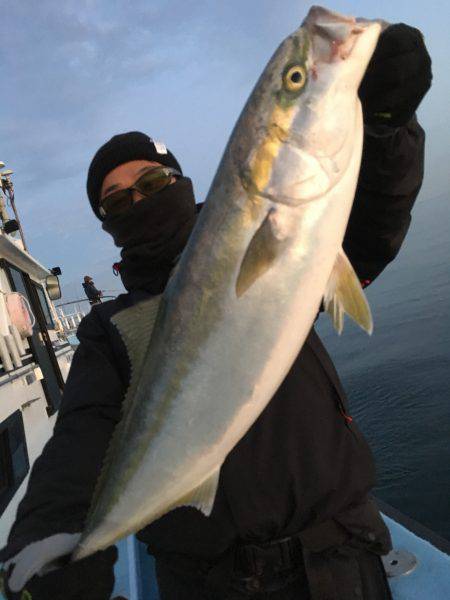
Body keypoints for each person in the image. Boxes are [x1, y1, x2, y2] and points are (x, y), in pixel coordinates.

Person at [0, 23, 431, 600]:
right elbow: (80, 438)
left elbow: (375, 224)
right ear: (107, 227)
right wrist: (44, 541)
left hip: (344, 559)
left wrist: (386, 129)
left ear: (182, 181)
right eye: (117, 201)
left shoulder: (292, 237)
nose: (138, 200)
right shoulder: (109, 329)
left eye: (151, 181)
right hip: (212, 583)